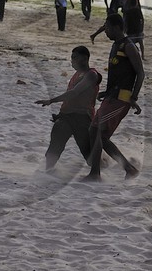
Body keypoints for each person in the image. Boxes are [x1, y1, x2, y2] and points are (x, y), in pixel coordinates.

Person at [86, 13, 144, 180]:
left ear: (118, 28)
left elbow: (140, 73)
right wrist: (106, 91)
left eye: (108, 28)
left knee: (98, 133)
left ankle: (96, 173)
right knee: (95, 132)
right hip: (112, 96)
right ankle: (127, 168)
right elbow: (119, 75)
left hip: (122, 99)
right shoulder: (115, 45)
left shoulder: (128, 46)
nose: (106, 31)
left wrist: (134, 97)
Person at [36, 45, 101, 170]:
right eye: (72, 57)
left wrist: (51, 101)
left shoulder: (91, 74)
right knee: (55, 144)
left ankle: (107, 167)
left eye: (75, 58)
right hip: (67, 117)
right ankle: (47, 170)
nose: (72, 60)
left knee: (90, 157)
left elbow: (74, 93)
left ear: (85, 59)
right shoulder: (77, 74)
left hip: (83, 119)